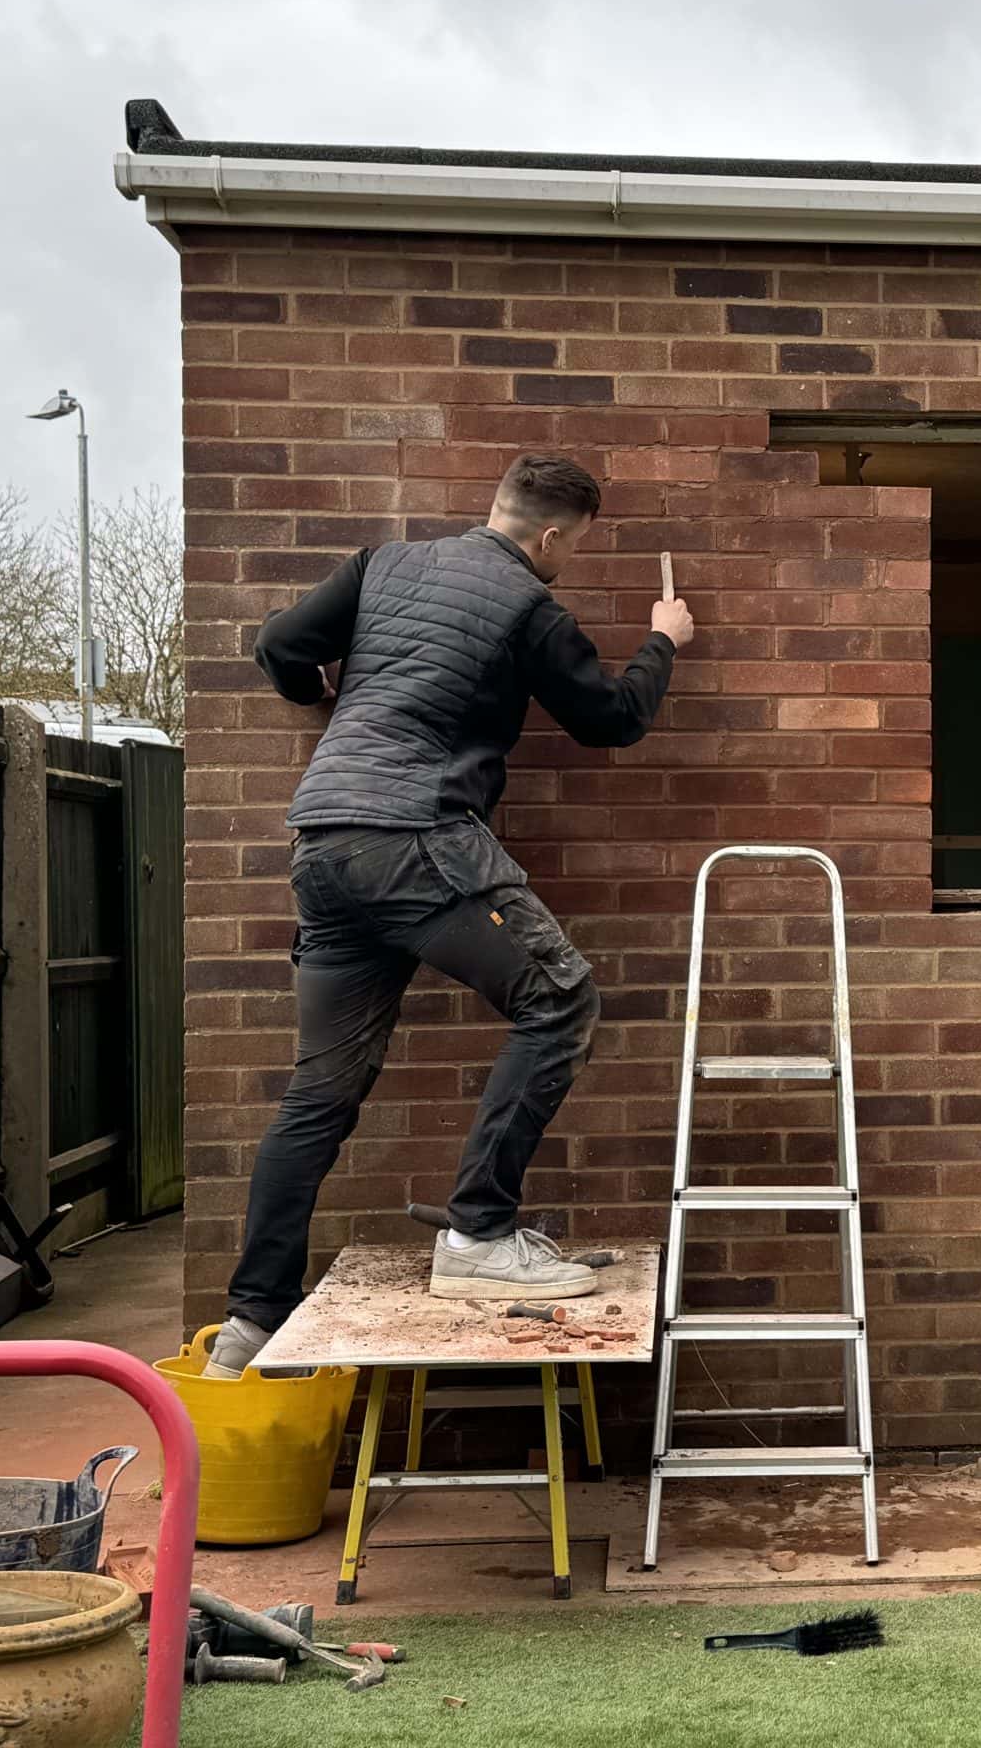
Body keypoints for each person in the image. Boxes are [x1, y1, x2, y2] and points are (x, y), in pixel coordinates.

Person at [204, 454, 693, 1377]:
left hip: (322, 841)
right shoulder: (531, 606)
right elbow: (611, 721)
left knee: (319, 1093)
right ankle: (478, 1233)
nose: (568, 562)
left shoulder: (380, 565)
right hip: (415, 838)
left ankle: (254, 1318)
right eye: (574, 549)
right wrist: (663, 639)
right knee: (561, 999)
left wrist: (326, 704)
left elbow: (280, 647)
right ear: (551, 536)